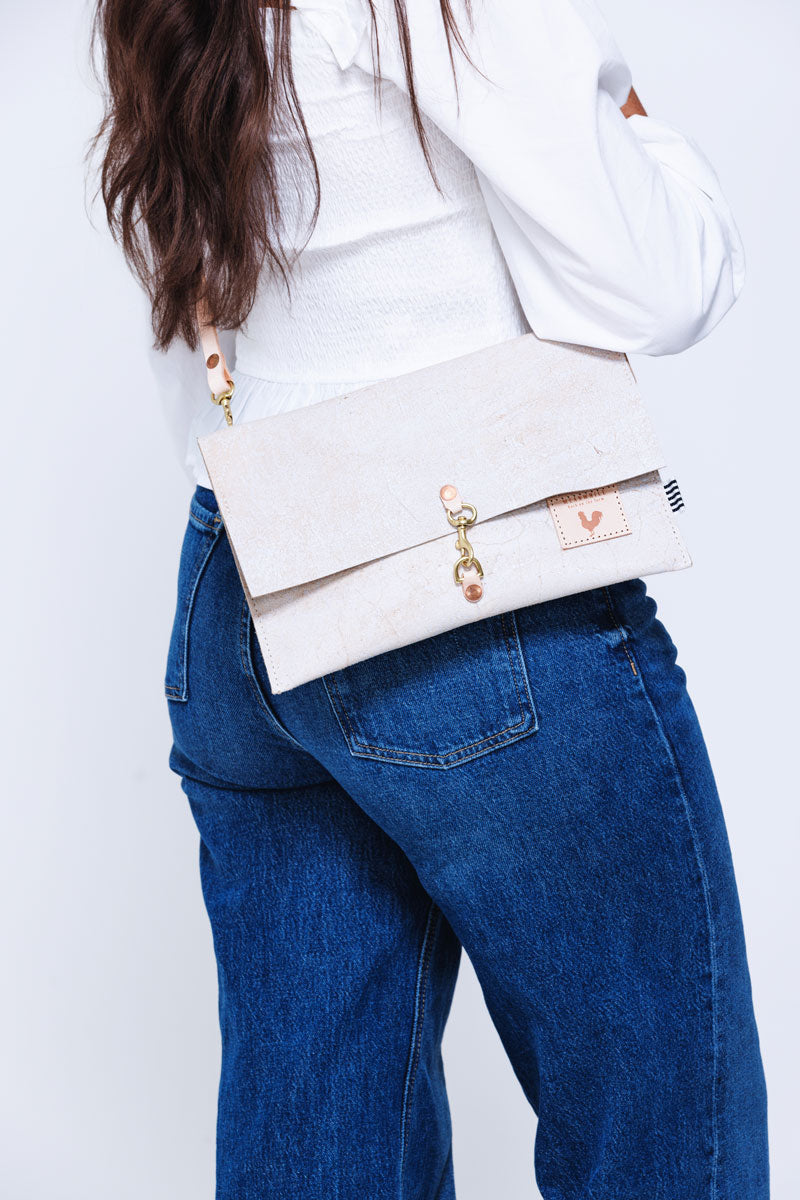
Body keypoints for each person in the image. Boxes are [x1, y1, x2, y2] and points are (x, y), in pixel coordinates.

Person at [93, 0, 768, 1195]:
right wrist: (624, 104)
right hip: (471, 596)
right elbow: (662, 284)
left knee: (315, 1152)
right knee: (662, 1135)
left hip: (242, 581)